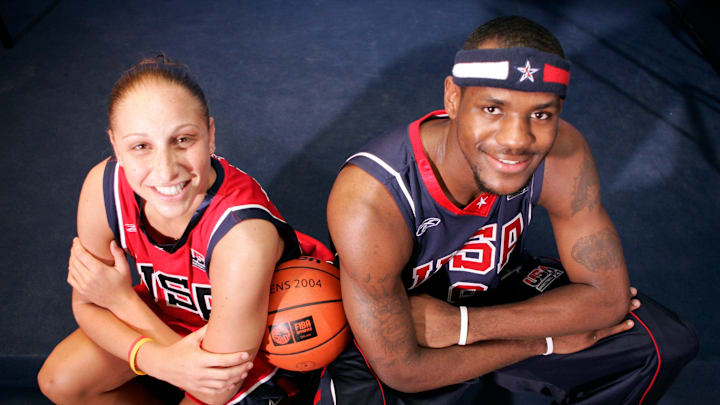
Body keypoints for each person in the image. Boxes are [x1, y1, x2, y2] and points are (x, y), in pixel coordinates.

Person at [315, 16, 698, 405]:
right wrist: (543, 342)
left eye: (540, 114)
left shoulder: (563, 152)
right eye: (492, 109)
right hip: (406, 321)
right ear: (453, 98)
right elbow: (404, 370)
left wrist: (466, 326)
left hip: (494, 291)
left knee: (657, 342)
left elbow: (608, 299)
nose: (516, 140)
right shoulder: (372, 197)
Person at [37, 55, 332, 404]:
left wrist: (121, 300)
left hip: (251, 353)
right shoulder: (103, 188)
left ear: (210, 135)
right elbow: (87, 304)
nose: (165, 170)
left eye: (182, 140)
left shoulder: (243, 234)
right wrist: (159, 360)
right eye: (141, 146)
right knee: (60, 381)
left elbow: (218, 383)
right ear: (115, 145)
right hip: (172, 317)